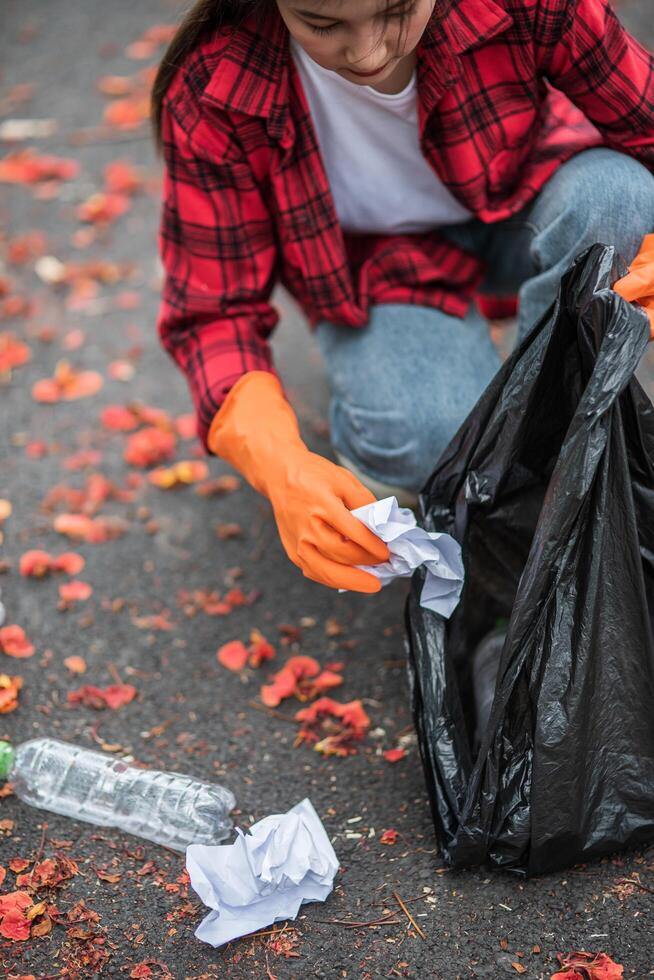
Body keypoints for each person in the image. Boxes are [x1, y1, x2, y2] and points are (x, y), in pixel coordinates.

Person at [150, 0, 654, 595]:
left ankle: (553, 434)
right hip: (378, 270)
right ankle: (403, 405)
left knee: (620, 201)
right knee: (430, 441)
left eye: (395, 11)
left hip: (525, 197)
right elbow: (214, 313)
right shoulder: (215, 85)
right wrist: (278, 461)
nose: (367, 53)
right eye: (323, 24)